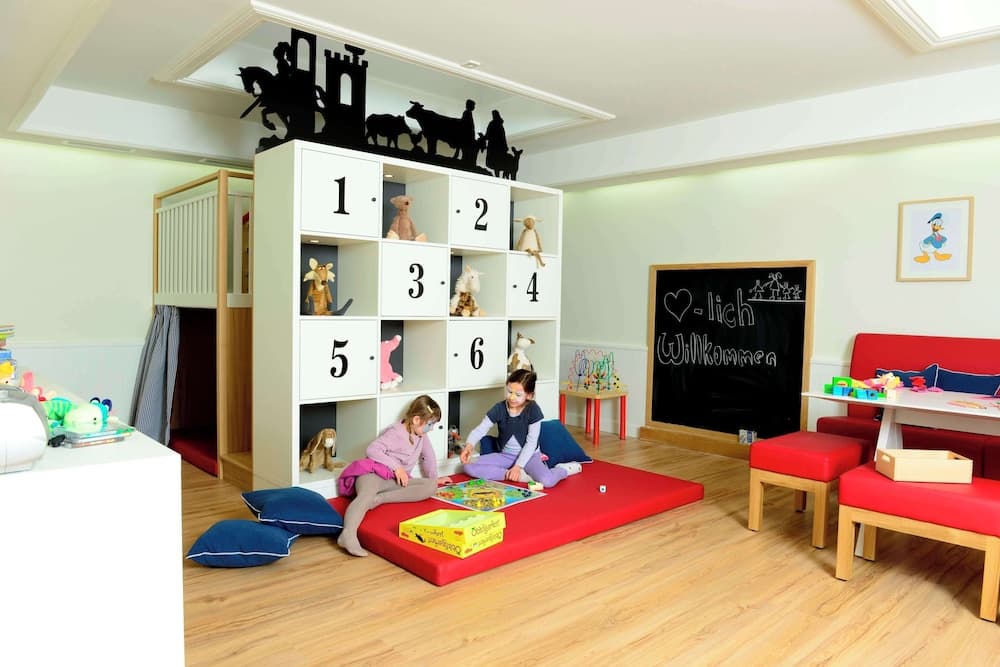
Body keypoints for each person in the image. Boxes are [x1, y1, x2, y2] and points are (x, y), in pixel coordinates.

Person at [336, 395, 452, 557]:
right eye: (430, 424)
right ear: (416, 420)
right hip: (373, 474)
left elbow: (428, 457)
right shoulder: (396, 432)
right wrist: (397, 468)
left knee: (431, 486)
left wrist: (434, 477)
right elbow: (372, 449)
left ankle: (379, 499)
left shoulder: (421, 436)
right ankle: (348, 535)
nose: (431, 429)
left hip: (393, 481)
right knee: (365, 495)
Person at [459, 369, 582, 487]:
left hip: (530, 457)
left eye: (518, 394)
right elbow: (481, 429)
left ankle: (563, 469)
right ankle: (513, 475)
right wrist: (469, 446)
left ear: (529, 395)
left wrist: (518, 466)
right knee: (468, 466)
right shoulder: (499, 408)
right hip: (506, 456)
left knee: (547, 481)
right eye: (509, 392)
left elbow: (531, 442)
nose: (512, 397)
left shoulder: (533, 410)